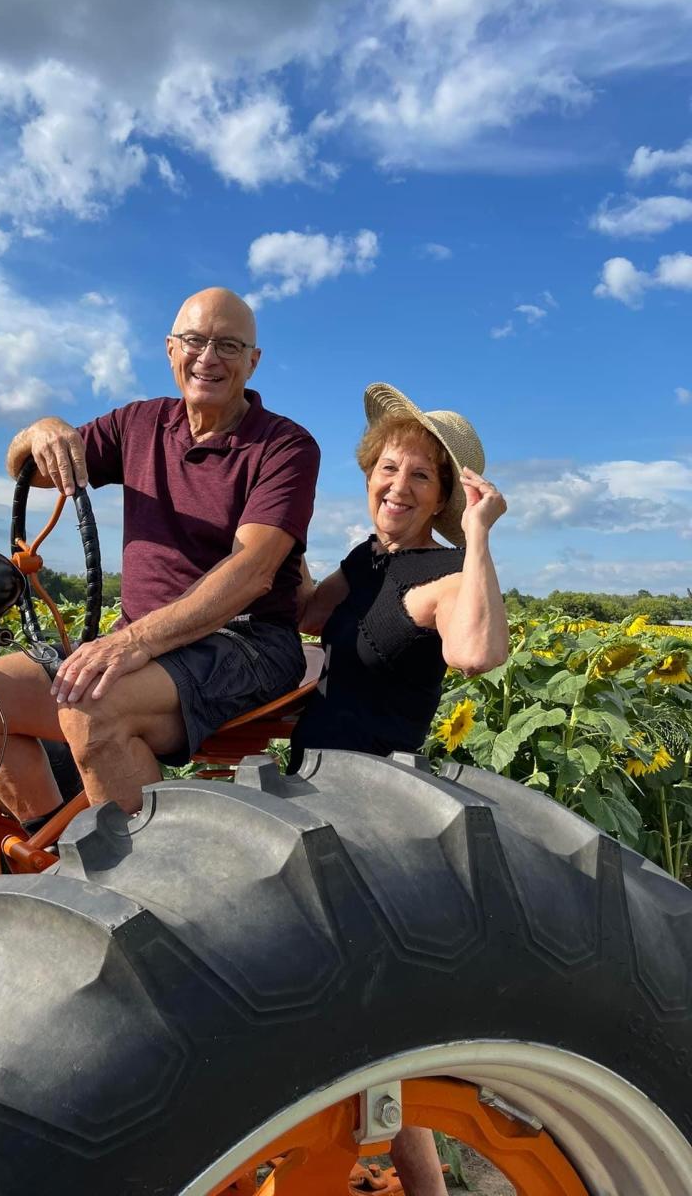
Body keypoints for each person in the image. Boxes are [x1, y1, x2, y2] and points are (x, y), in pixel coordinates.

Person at [0, 287, 319, 820]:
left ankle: (154, 889)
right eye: (194, 341)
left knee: (91, 712)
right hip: (145, 643)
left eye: (229, 346)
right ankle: (55, 849)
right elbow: (31, 468)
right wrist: (40, 430)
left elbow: (253, 572)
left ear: (253, 362)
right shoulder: (138, 424)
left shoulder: (286, 446)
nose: (208, 358)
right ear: (171, 349)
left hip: (246, 640)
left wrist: (133, 643)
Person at [292, 383, 509, 1196]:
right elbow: (310, 617)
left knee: (359, 1008)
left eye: (423, 477)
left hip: (370, 808)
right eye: (390, 467)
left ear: (446, 497)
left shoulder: (444, 571)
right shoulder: (365, 560)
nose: (399, 486)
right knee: (351, 1012)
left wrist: (480, 536)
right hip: (310, 789)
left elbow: (478, 652)